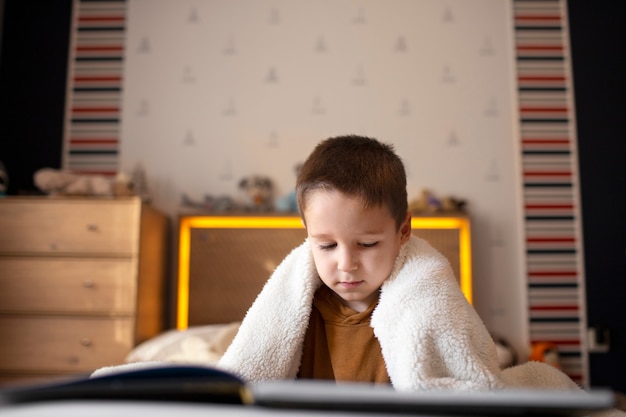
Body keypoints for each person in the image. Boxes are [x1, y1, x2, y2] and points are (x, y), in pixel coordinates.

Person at [217, 135, 596, 395]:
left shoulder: (427, 298)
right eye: (327, 244)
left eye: (367, 244)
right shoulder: (294, 305)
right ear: (306, 233)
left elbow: (465, 381)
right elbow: (248, 376)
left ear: (403, 231)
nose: (346, 264)